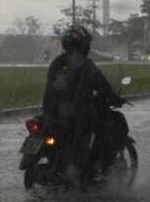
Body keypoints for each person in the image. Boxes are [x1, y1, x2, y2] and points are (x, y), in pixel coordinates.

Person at [42, 25, 126, 183]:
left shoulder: (57, 62)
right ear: (84, 45)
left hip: (51, 111)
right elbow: (102, 84)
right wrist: (113, 97)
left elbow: (51, 87)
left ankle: (76, 165)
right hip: (77, 112)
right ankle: (93, 167)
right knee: (103, 128)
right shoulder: (86, 64)